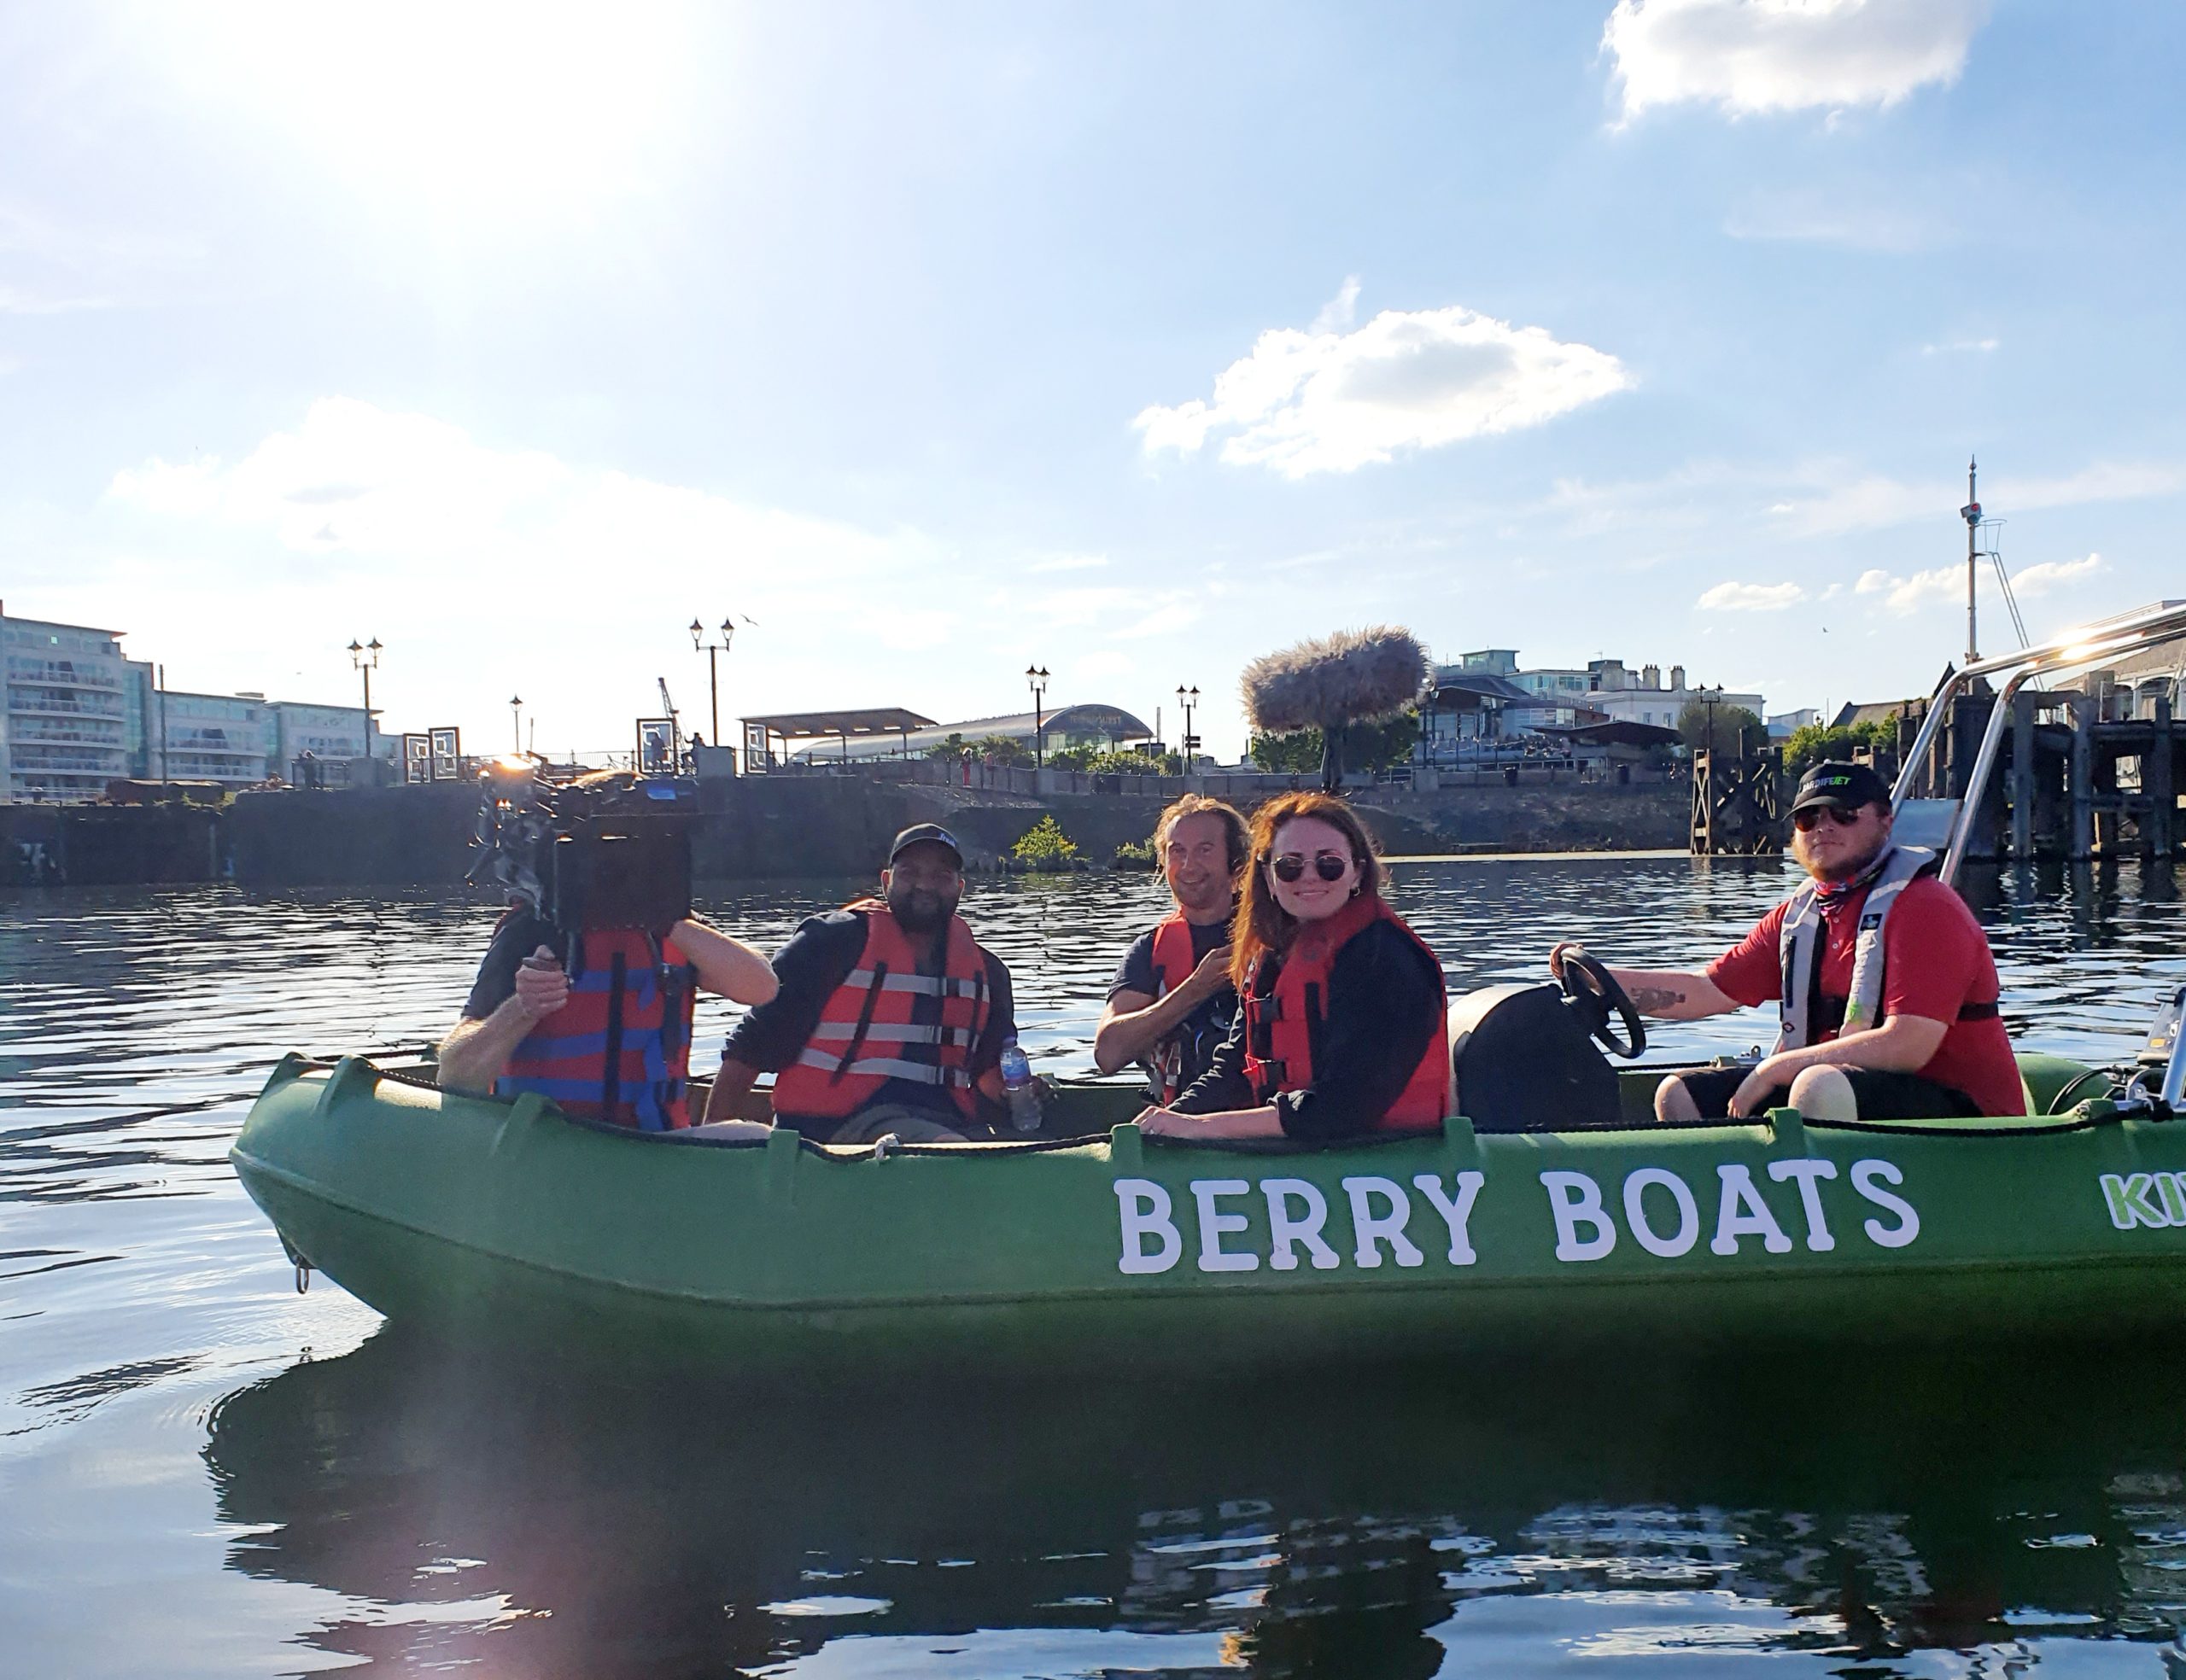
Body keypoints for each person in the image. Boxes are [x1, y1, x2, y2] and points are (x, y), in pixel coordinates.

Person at [1551, 760, 2021, 1123]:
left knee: (1817, 1086)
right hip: (1850, 1091)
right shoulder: (1800, 917)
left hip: (1967, 1116)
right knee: (1679, 1093)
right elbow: (1707, 991)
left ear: (1884, 822)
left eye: (1843, 814)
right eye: (1808, 818)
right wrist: (1601, 981)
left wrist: (1775, 1069)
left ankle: (1840, 1229)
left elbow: (1908, 1045)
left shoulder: (1926, 907)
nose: (1823, 827)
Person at [440, 778, 780, 1130]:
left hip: (657, 1148)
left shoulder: (672, 926)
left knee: (752, 1135)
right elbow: (455, 1075)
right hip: (551, 1149)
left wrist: (663, 914)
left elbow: (761, 988)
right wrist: (521, 1009)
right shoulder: (532, 929)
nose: (617, 867)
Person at [1139, 792, 1447, 1142]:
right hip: (1299, 1154)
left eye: (1329, 864)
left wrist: (1201, 1128)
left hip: (1386, 1156)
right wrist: (1168, 1121)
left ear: (1358, 872)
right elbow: (1235, 1069)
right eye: (1290, 866)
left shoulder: (1387, 960)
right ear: (1269, 879)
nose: (1310, 877)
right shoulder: (1273, 955)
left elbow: (1343, 1107)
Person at [704, 824, 1018, 1142]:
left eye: (941, 876)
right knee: (957, 1153)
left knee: (1013, 1148)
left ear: (960, 888)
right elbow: (751, 1047)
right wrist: (714, 1139)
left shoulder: (989, 973)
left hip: (945, 1124)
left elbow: (991, 1075)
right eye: (909, 872)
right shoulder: (833, 942)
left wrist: (1018, 1092)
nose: (925, 884)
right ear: (886, 882)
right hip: (831, 1131)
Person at [1094, 796, 1248, 1104]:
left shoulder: (1275, 931)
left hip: (1270, 1117)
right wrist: (1196, 989)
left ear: (1235, 862)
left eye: (1205, 850)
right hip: (1183, 1120)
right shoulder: (1149, 950)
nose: (1189, 865)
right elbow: (1108, 1055)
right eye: (1178, 851)